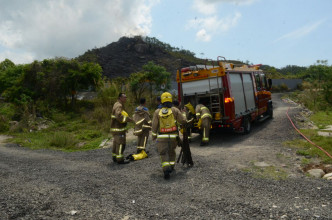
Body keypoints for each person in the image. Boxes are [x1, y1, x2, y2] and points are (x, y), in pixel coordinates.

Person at [151, 92, 187, 179]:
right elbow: (183, 121)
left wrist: (153, 136)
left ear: (162, 101)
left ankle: (166, 169)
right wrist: (184, 113)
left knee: (163, 153)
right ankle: (171, 167)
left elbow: (154, 125)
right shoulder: (175, 110)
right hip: (173, 137)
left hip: (162, 137)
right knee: (172, 151)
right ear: (170, 100)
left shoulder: (157, 112)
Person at [110, 93, 134, 164]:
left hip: (116, 128)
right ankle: (120, 160)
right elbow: (119, 116)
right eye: (124, 97)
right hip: (118, 129)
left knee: (116, 143)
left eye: (126, 97)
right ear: (120, 98)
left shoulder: (116, 104)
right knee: (121, 144)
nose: (126, 98)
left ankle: (115, 157)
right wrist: (128, 119)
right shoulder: (119, 105)